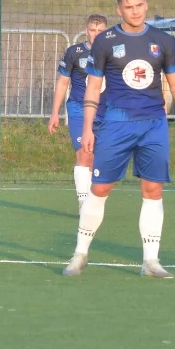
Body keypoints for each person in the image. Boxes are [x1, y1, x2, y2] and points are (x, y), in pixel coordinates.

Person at [62, 0, 175, 279]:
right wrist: (88, 128)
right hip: (116, 123)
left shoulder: (162, 40)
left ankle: (151, 261)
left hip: (153, 124)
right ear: (119, 10)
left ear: (145, 4)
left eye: (138, 5)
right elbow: (93, 88)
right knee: (100, 189)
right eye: (128, 7)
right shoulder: (105, 41)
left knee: (153, 189)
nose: (134, 11)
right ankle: (80, 253)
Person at [48, 13, 108, 210]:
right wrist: (55, 113)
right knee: (84, 152)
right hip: (78, 109)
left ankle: (92, 199)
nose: (96, 34)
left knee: (97, 159)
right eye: (92, 30)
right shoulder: (74, 52)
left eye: (100, 31)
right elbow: (63, 82)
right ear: (86, 31)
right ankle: (84, 203)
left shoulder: (114, 54)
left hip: (106, 112)